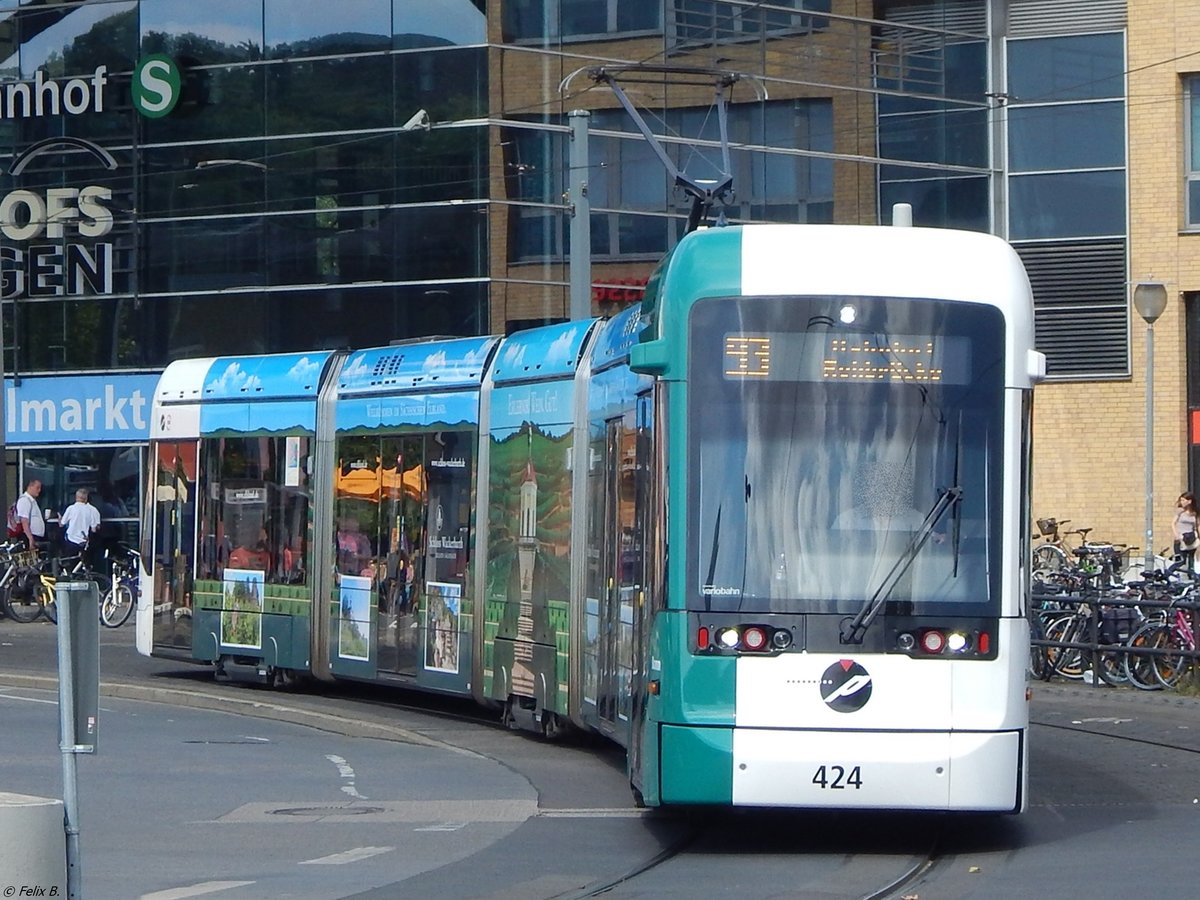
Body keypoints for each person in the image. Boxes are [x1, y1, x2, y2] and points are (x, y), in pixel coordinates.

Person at [60, 488, 101, 567]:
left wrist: (59, 518)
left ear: (76, 497)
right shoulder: (91, 510)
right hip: (84, 540)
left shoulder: (71, 509)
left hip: (71, 540)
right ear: (86, 498)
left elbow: (62, 524)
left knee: (71, 563)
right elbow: (94, 529)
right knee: (84, 562)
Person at [15, 477, 46, 551]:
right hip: (29, 536)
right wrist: (30, 538)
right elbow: (24, 520)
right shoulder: (25, 500)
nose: (39, 490)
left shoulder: (32, 501)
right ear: (30, 486)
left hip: (36, 536)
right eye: (37, 488)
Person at [1172, 491, 1199, 574]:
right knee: (1180, 561)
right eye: (1181, 500)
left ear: (1189, 501)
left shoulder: (1195, 513)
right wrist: (1176, 535)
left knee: (1191, 560)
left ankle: (1193, 580)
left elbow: (1198, 525)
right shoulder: (1180, 511)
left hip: (1191, 538)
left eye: (1183, 500)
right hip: (1181, 539)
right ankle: (1168, 573)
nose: (1182, 502)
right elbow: (1173, 523)